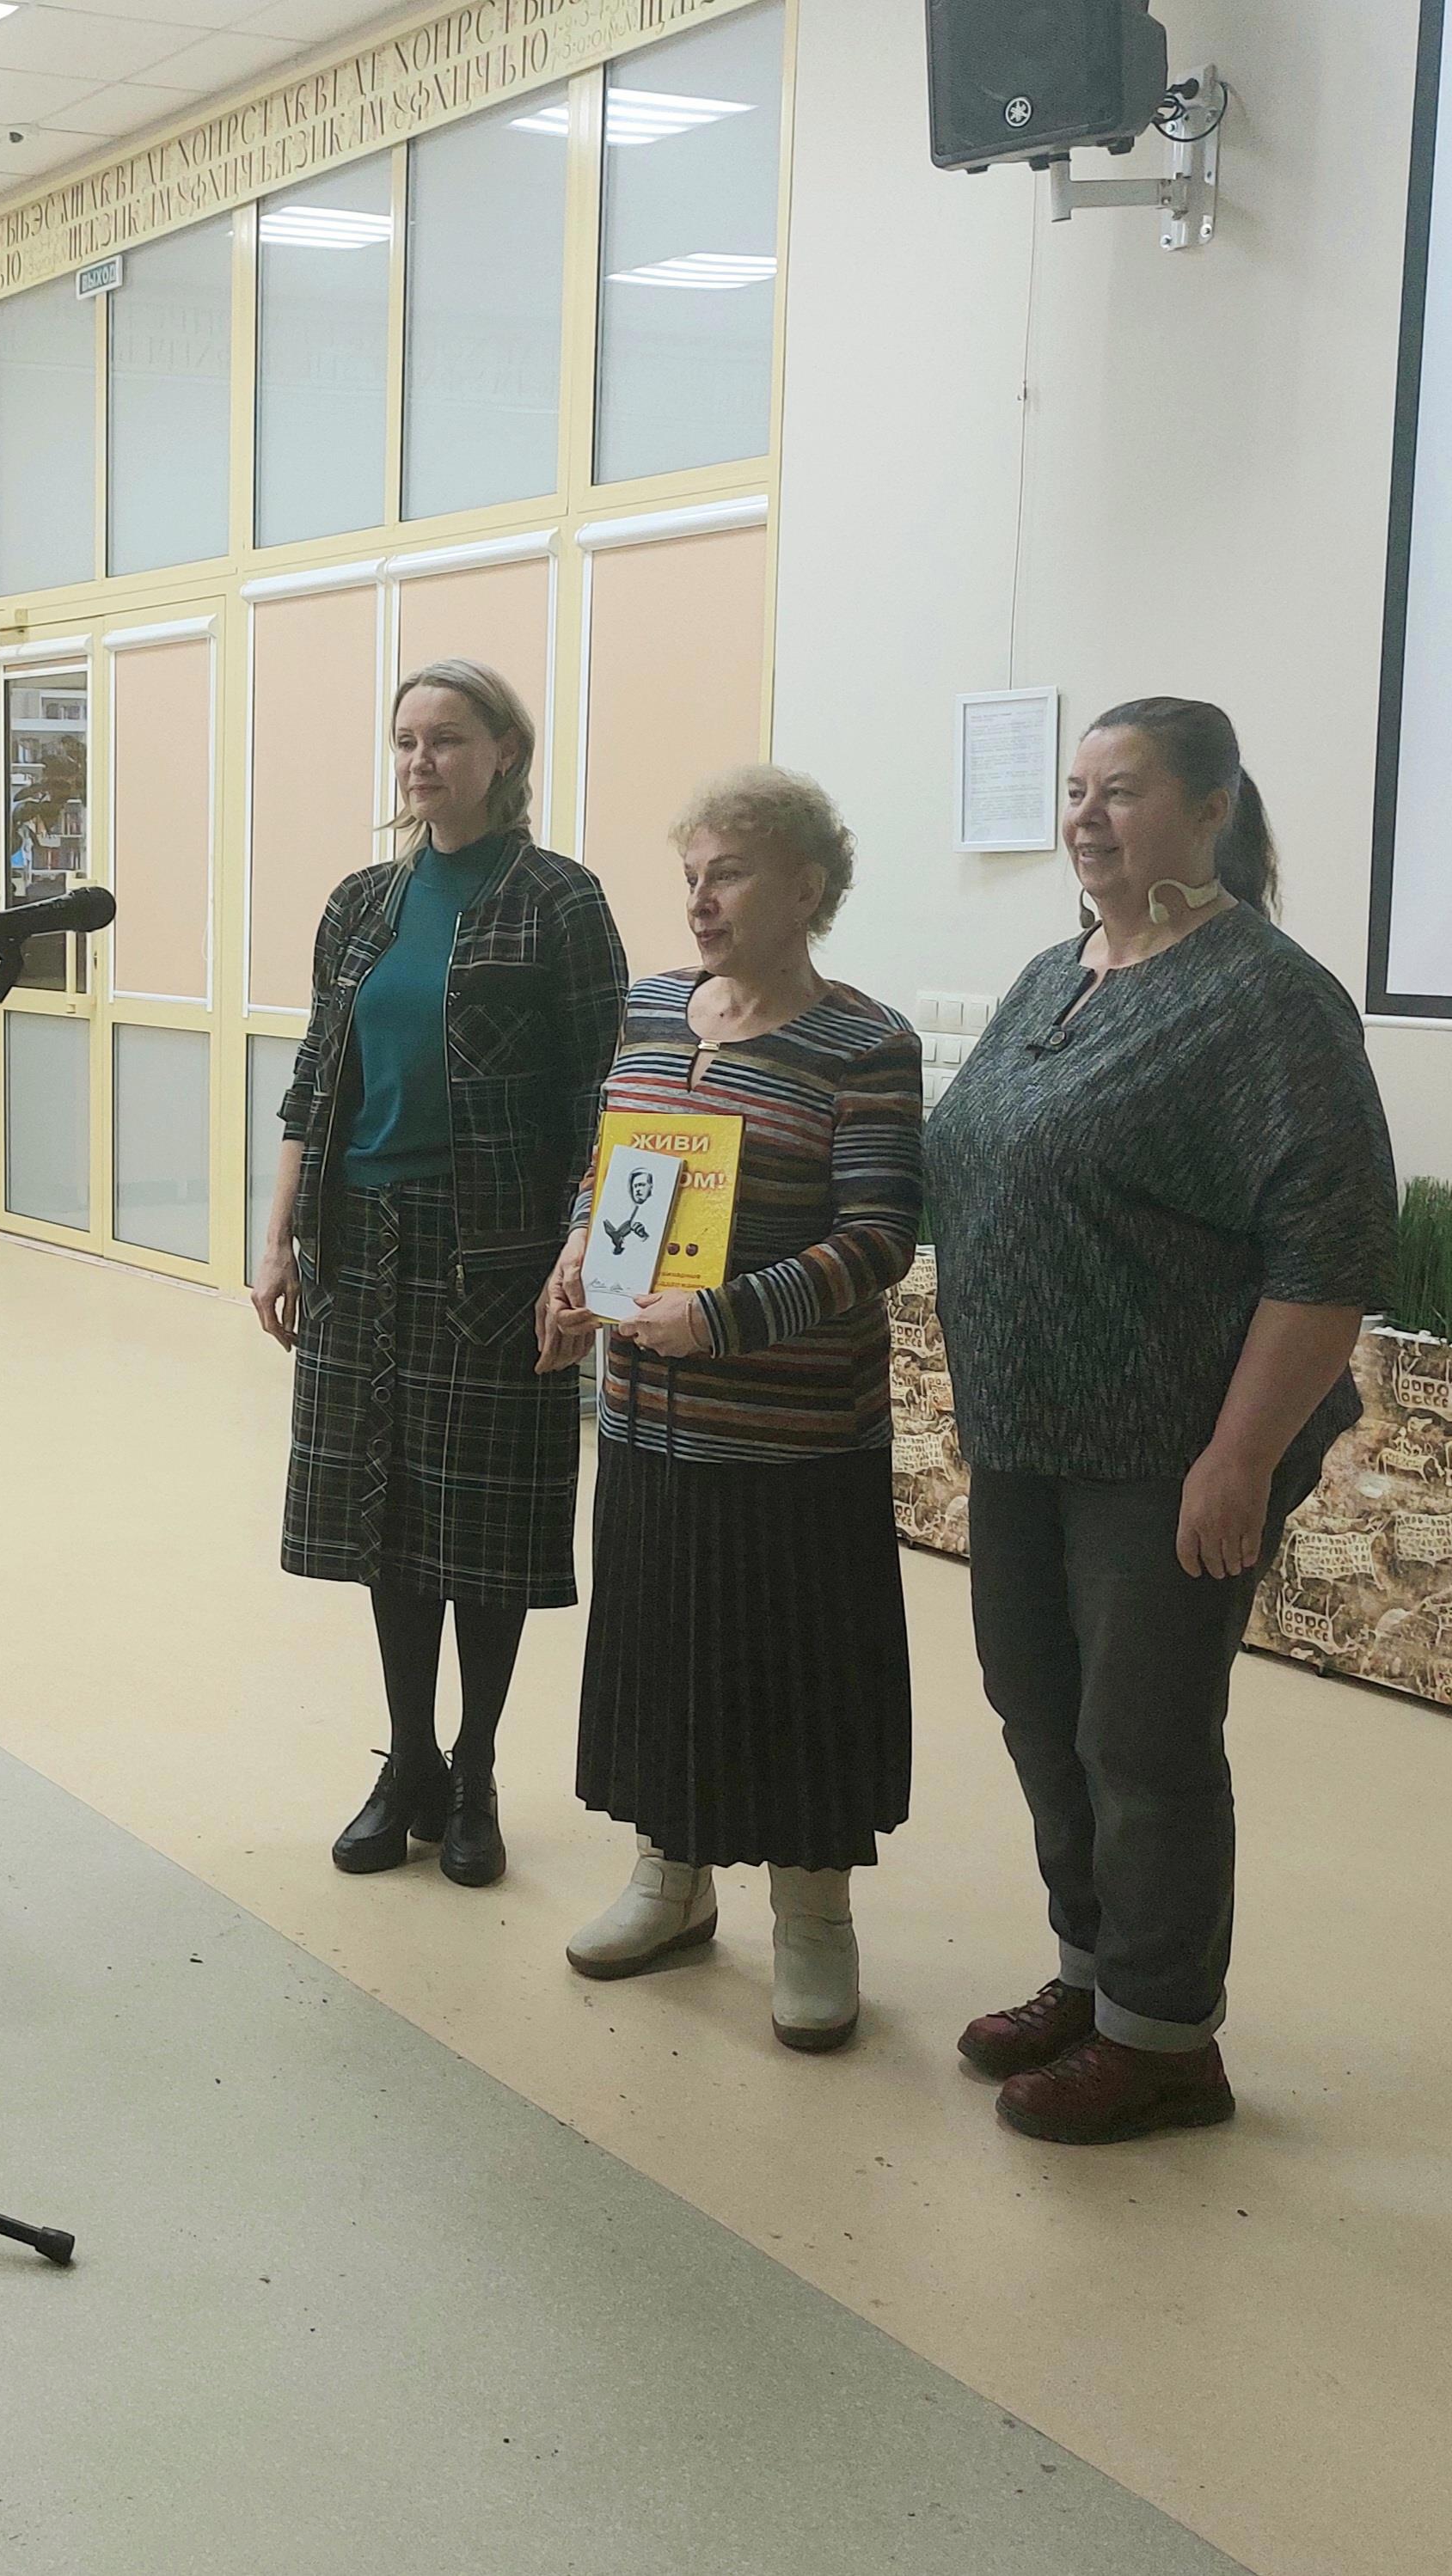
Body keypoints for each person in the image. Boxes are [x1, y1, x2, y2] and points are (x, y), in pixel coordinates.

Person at [923, 698, 1395, 2145]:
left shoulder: (1265, 999)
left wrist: (1237, 1458)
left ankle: (1163, 2041)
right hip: (1024, 1431)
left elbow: (1330, 1252)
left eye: (1119, 791)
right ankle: (1091, 1974)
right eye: (1074, 790)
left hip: (1169, 1447)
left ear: (1208, 809)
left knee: (1140, 1738)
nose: (1085, 815)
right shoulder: (1050, 972)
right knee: (1037, 1710)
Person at [535, 768, 921, 2053]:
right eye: (691, 875)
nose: (700, 899)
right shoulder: (652, 1008)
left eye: (730, 874)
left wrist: (724, 1316)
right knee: (660, 1651)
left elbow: (878, 1239)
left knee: (795, 1674)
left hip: (792, 1437)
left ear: (806, 889)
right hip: (646, 1418)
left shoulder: (863, 1044)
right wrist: (575, 1259)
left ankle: (813, 1920)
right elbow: (612, 1166)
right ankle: (670, 1881)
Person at [253, 659, 628, 1888]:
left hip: (496, 1255)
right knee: (387, 1520)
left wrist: (580, 1252)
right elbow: (315, 1074)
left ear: (504, 753)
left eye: (448, 739)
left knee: (485, 1528)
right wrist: (278, 1234)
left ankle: (475, 1771)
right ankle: (407, 1759)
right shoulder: (363, 902)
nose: (422, 761)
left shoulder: (558, 899)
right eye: (408, 741)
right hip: (362, 1245)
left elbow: (605, 1092)